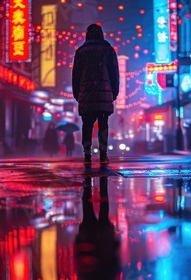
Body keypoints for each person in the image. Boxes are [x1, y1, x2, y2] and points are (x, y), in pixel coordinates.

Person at [72, 23, 119, 165]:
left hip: (86, 94)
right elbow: (114, 74)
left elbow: (76, 75)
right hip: (104, 94)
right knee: (103, 124)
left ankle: (87, 156)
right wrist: (114, 92)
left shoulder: (81, 51)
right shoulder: (108, 50)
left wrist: (77, 93)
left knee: (87, 125)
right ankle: (103, 155)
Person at [75, 176, 120, 280]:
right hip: (96, 240)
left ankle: (90, 166)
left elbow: (114, 261)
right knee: (89, 207)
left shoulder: (107, 275)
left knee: (100, 209)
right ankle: (93, 181)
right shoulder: (104, 275)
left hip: (101, 240)